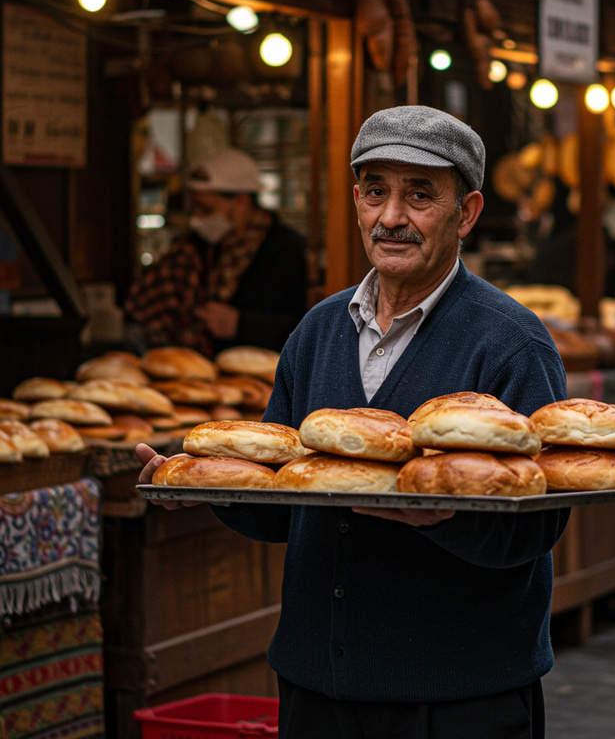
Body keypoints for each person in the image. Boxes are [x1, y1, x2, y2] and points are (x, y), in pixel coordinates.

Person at [137, 105, 569, 738]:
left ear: (467, 212)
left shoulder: (510, 344)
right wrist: (204, 487)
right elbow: (285, 498)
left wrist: (442, 516)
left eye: (419, 195)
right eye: (375, 192)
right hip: (318, 689)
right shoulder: (317, 332)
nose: (391, 217)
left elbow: (536, 527)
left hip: (455, 696)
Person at [124, 146, 308, 356]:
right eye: (195, 208)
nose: (198, 218)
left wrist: (240, 324)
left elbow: (304, 326)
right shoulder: (195, 247)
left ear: (241, 202)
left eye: (207, 209)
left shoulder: (285, 250)